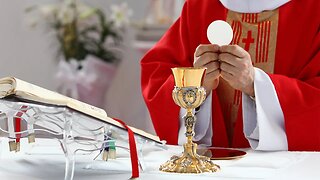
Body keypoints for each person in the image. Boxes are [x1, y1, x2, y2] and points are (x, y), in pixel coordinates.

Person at [141, 0, 320, 151]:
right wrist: (197, 85)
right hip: (210, 165)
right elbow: (157, 77)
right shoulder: (200, 6)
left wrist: (255, 84)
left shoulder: (313, 10)